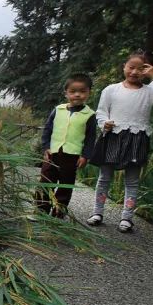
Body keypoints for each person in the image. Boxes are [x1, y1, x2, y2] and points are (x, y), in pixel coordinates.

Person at [86, 51, 153, 232]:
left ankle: (127, 218)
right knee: (104, 178)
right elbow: (101, 112)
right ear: (124, 67)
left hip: (137, 139)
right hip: (112, 137)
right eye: (131, 67)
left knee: (132, 181)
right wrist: (104, 123)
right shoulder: (111, 89)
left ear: (146, 71)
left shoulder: (150, 93)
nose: (134, 72)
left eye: (140, 69)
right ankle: (97, 212)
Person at [35, 73, 97, 218]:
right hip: (53, 153)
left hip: (72, 156)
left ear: (89, 93)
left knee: (65, 185)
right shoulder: (58, 110)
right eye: (73, 91)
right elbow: (48, 129)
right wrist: (46, 147)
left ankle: (59, 212)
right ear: (66, 93)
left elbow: (90, 138)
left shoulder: (89, 115)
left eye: (82, 91)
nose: (77, 95)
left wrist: (85, 156)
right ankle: (40, 211)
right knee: (46, 181)